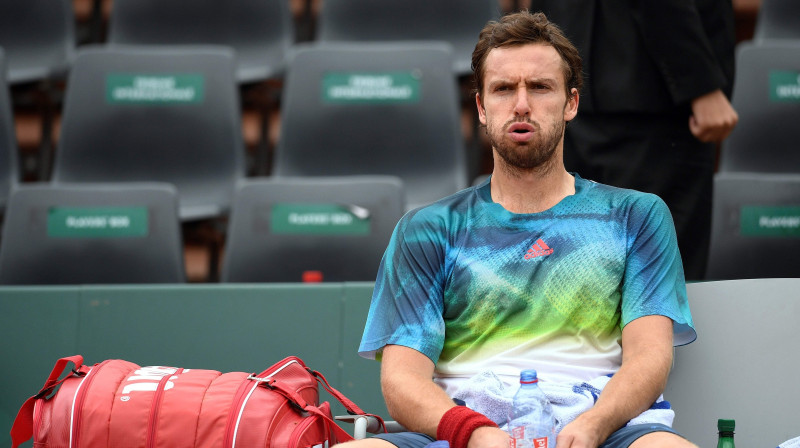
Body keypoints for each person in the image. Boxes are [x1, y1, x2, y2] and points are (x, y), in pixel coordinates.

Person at [335, 10, 697, 448]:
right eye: (504, 89)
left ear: (571, 103)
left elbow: (649, 356)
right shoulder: (426, 230)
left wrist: (594, 426)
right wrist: (474, 433)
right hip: (465, 434)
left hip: (607, 429)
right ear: (482, 109)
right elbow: (401, 379)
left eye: (540, 87)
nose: (521, 104)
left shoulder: (636, 215)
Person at [527, 0, 739, 280]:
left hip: (579, 82)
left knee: (583, 282)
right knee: (653, 289)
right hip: (652, 101)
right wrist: (700, 85)